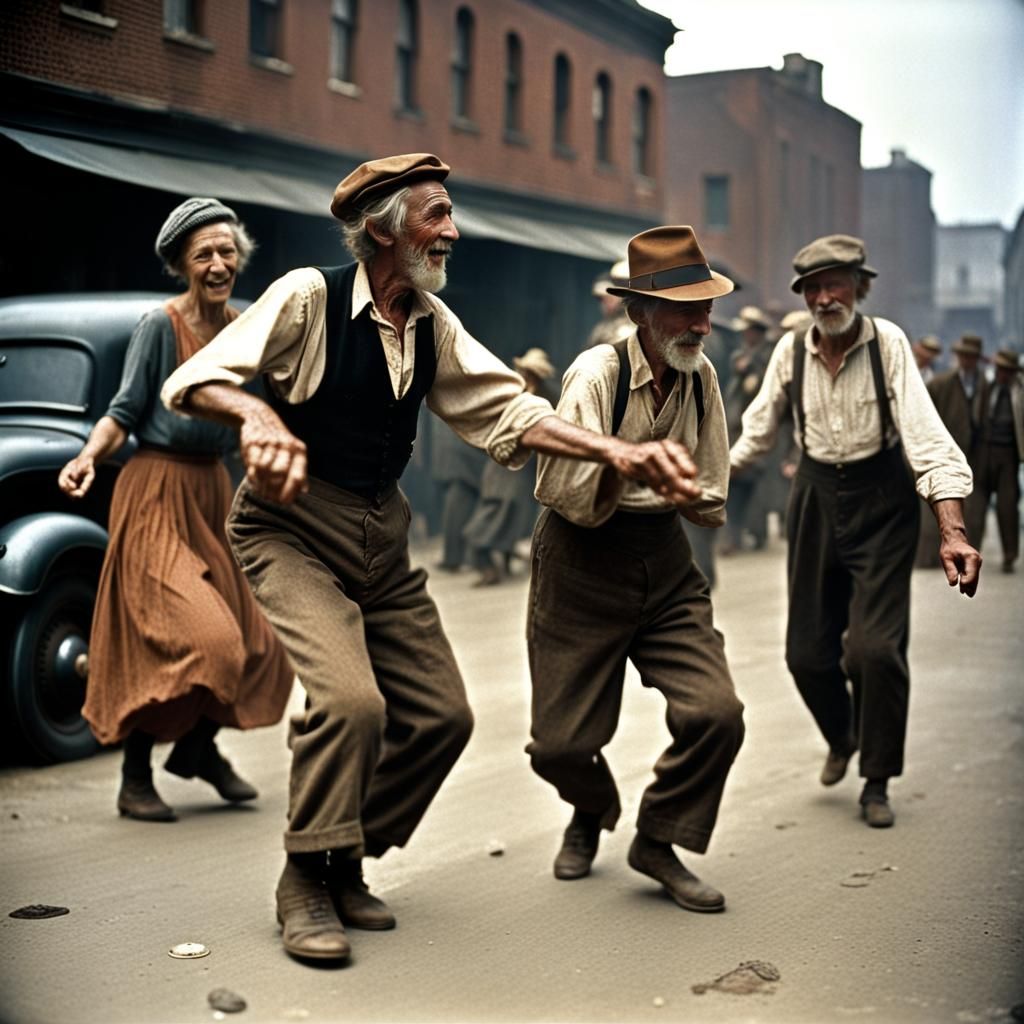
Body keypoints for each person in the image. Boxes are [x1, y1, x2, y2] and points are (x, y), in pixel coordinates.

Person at [160, 154, 703, 963]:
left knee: (443, 717)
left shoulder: (428, 321)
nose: (452, 232)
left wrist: (618, 456)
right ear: (383, 228)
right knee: (351, 703)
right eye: (437, 215)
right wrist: (256, 419)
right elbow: (201, 379)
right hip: (289, 529)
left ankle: (346, 857)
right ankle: (303, 878)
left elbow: (509, 410)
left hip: (383, 537)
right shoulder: (308, 296)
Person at [527, 225, 745, 913]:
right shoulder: (596, 374)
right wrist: (631, 475)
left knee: (717, 713)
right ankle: (590, 808)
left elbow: (710, 486)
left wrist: (688, 498)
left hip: (663, 561)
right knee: (562, 746)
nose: (701, 323)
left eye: (705, 307)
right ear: (639, 312)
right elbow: (559, 488)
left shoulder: (701, 374)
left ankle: (657, 838)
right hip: (581, 557)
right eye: (684, 308)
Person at [730, 234, 981, 829]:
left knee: (874, 651)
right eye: (812, 288)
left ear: (859, 287)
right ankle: (842, 736)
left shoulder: (887, 343)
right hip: (815, 497)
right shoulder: (789, 351)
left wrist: (951, 530)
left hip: (882, 502)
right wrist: (702, 484)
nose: (823, 298)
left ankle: (876, 780)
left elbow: (926, 439)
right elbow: (756, 435)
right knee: (805, 656)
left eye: (834, 284)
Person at [57, 198, 294, 823]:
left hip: (216, 493)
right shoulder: (160, 326)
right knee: (203, 640)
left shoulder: (245, 326)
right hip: (156, 492)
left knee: (265, 644)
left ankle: (196, 749)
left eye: (227, 252)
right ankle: (135, 778)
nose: (218, 264)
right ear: (180, 266)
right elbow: (124, 411)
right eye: (203, 255)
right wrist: (87, 457)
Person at [463, 347, 554, 586]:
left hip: (523, 469)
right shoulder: (510, 392)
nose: (524, 374)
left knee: (512, 515)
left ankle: (499, 564)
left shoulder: (546, 397)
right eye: (523, 370)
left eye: (529, 372)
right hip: (499, 465)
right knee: (489, 517)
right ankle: (487, 566)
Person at [927, 334, 990, 549]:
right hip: (949, 452)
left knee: (976, 508)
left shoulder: (986, 384)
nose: (967, 360)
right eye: (964, 356)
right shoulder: (941, 383)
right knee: (946, 503)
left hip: (978, 454)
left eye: (971, 356)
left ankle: (972, 548)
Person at [721, 305, 774, 553]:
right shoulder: (742, 354)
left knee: (754, 487)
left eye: (749, 331)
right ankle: (736, 535)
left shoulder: (767, 357)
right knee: (737, 485)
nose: (746, 336)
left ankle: (754, 533)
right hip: (735, 427)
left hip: (756, 427)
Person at [970, 349, 1023, 572]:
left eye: (1006, 371)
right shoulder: (986, 387)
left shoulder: (1019, 391)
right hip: (984, 450)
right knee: (975, 507)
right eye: (1000, 369)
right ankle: (970, 553)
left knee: (1007, 506)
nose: (1002, 374)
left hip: (1008, 453)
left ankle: (1009, 555)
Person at [430, 416, 486, 571]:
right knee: (459, 501)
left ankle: (455, 556)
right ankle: (453, 557)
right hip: (462, 452)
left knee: (460, 501)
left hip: (456, 451)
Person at [583, 259, 632, 349]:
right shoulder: (603, 327)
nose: (604, 303)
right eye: (601, 299)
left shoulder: (632, 323)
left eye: (608, 298)